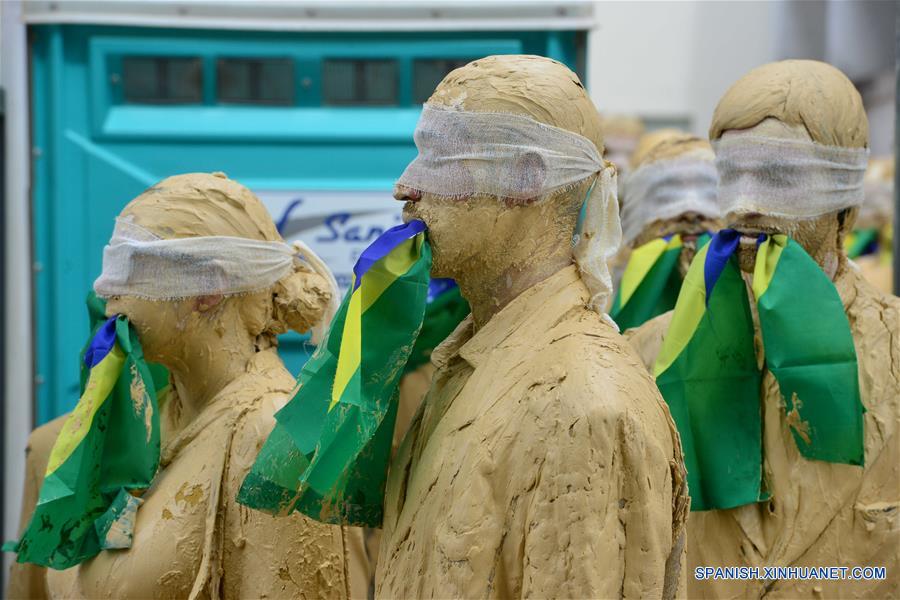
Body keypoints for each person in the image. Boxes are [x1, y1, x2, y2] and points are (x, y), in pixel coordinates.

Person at [377, 54, 688, 599]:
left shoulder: (582, 406)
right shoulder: (467, 369)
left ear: (526, 177)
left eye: (443, 157)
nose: (405, 186)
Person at [8, 173, 367, 599]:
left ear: (209, 289)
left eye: (133, 268)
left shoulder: (276, 441)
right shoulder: (139, 426)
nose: (106, 293)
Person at [627, 60, 899, 598]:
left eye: (779, 178)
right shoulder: (649, 355)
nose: (746, 206)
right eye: (732, 177)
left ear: (845, 202)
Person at [609, 130, 721, 329]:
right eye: (667, 197)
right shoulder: (606, 282)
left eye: (706, 192)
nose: (690, 210)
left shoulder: (744, 280)